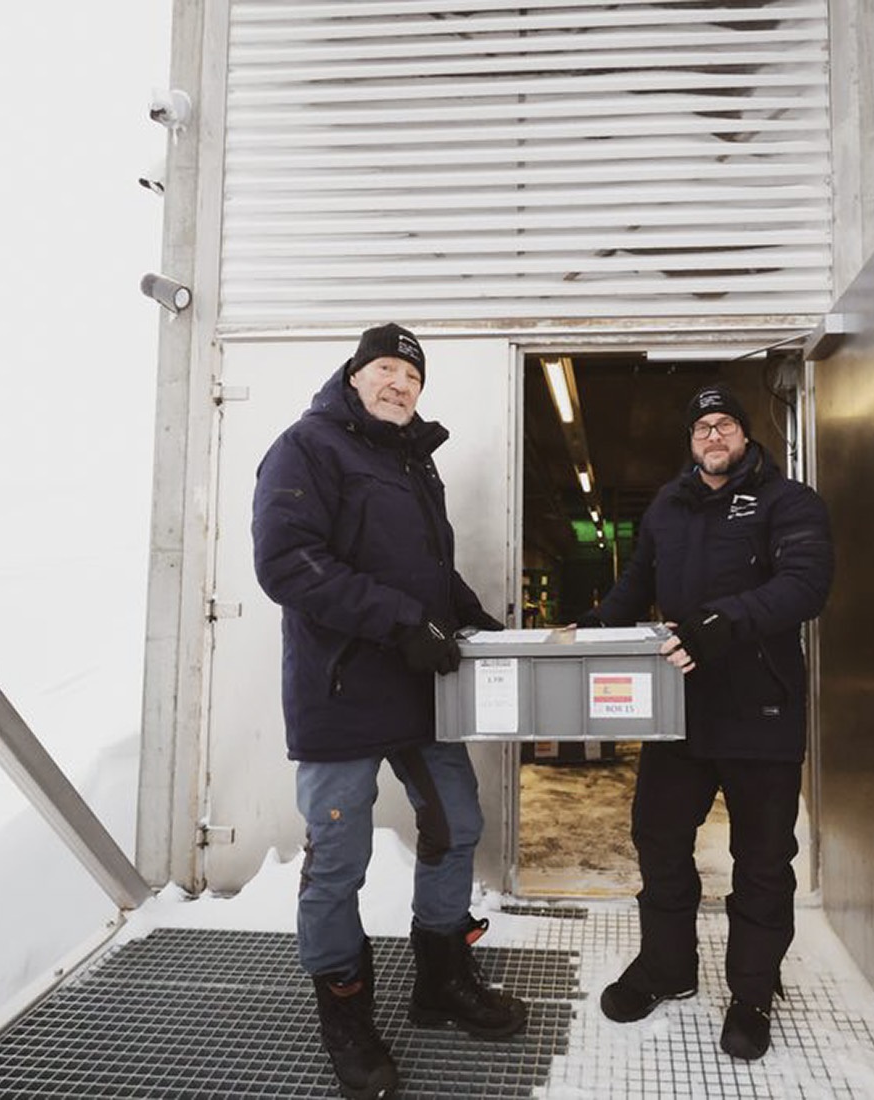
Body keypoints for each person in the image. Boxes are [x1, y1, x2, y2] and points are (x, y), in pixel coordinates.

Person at [251, 322, 526, 1100]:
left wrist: (477, 627)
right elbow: (288, 562)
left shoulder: (412, 464)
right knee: (339, 858)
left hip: (416, 694)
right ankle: (343, 1009)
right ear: (353, 375)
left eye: (410, 374)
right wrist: (404, 622)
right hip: (339, 693)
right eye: (383, 368)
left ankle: (439, 979)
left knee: (457, 823)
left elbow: (431, 578)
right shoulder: (306, 448)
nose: (397, 383)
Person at [579, 384, 833, 1062]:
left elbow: (806, 583)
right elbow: (637, 580)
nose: (712, 436)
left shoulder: (788, 502)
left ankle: (750, 993)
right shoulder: (668, 504)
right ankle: (667, 969)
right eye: (701, 429)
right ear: (690, 442)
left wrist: (729, 619)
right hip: (680, 708)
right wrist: (593, 634)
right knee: (658, 840)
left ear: (745, 436)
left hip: (762, 710)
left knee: (760, 860)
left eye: (724, 425)